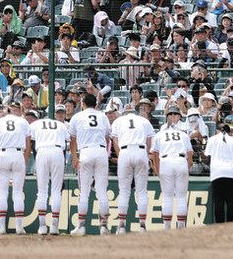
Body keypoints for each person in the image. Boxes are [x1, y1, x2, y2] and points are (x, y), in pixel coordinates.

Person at [0, 98, 32, 234]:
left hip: (4, 154)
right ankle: (19, 227)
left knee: (2, 192)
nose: (13, 109)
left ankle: (2, 227)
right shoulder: (23, 121)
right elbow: (28, 143)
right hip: (18, 154)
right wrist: (24, 160)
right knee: (18, 192)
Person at [69, 92, 110, 235]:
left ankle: (81, 226)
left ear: (83, 103)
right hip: (100, 151)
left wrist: (74, 157)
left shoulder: (77, 117)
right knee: (102, 191)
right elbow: (107, 138)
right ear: (96, 104)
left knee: (84, 192)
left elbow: (72, 140)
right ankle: (104, 226)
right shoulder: (103, 116)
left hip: (85, 152)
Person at [111, 104, 155, 233]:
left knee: (124, 191)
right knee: (141, 191)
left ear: (124, 112)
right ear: (135, 112)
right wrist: (145, 154)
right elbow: (149, 139)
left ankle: (122, 225)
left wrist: (120, 157)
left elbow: (115, 141)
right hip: (141, 151)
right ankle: (142, 225)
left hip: (125, 151)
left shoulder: (118, 121)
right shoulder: (143, 120)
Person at [151, 107, 192, 230]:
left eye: (175, 114)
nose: (173, 116)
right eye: (171, 114)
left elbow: (154, 154)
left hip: (165, 162)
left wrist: (158, 170)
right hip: (181, 161)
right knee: (181, 197)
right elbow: (190, 153)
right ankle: (180, 226)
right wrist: (187, 167)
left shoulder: (160, 134)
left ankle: (167, 227)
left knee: (168, 196)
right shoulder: (183, 134)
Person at [32, 109, 70, 235]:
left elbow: (31, 142)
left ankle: (42, 226)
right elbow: (67, 141)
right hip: (57, 151)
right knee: (56, 191)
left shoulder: (36, 124)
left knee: (42, 191)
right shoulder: (60, 124)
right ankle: (54, 226)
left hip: (42, 151)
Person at [204, 123, 233, 223]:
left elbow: (208, 158)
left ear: (218, 130)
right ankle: (231, 226)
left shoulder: (212, 139)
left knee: (218, 201)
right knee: (231, 202)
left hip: (217, 173)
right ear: (229, 131)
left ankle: (219, 227)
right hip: (231, 173)